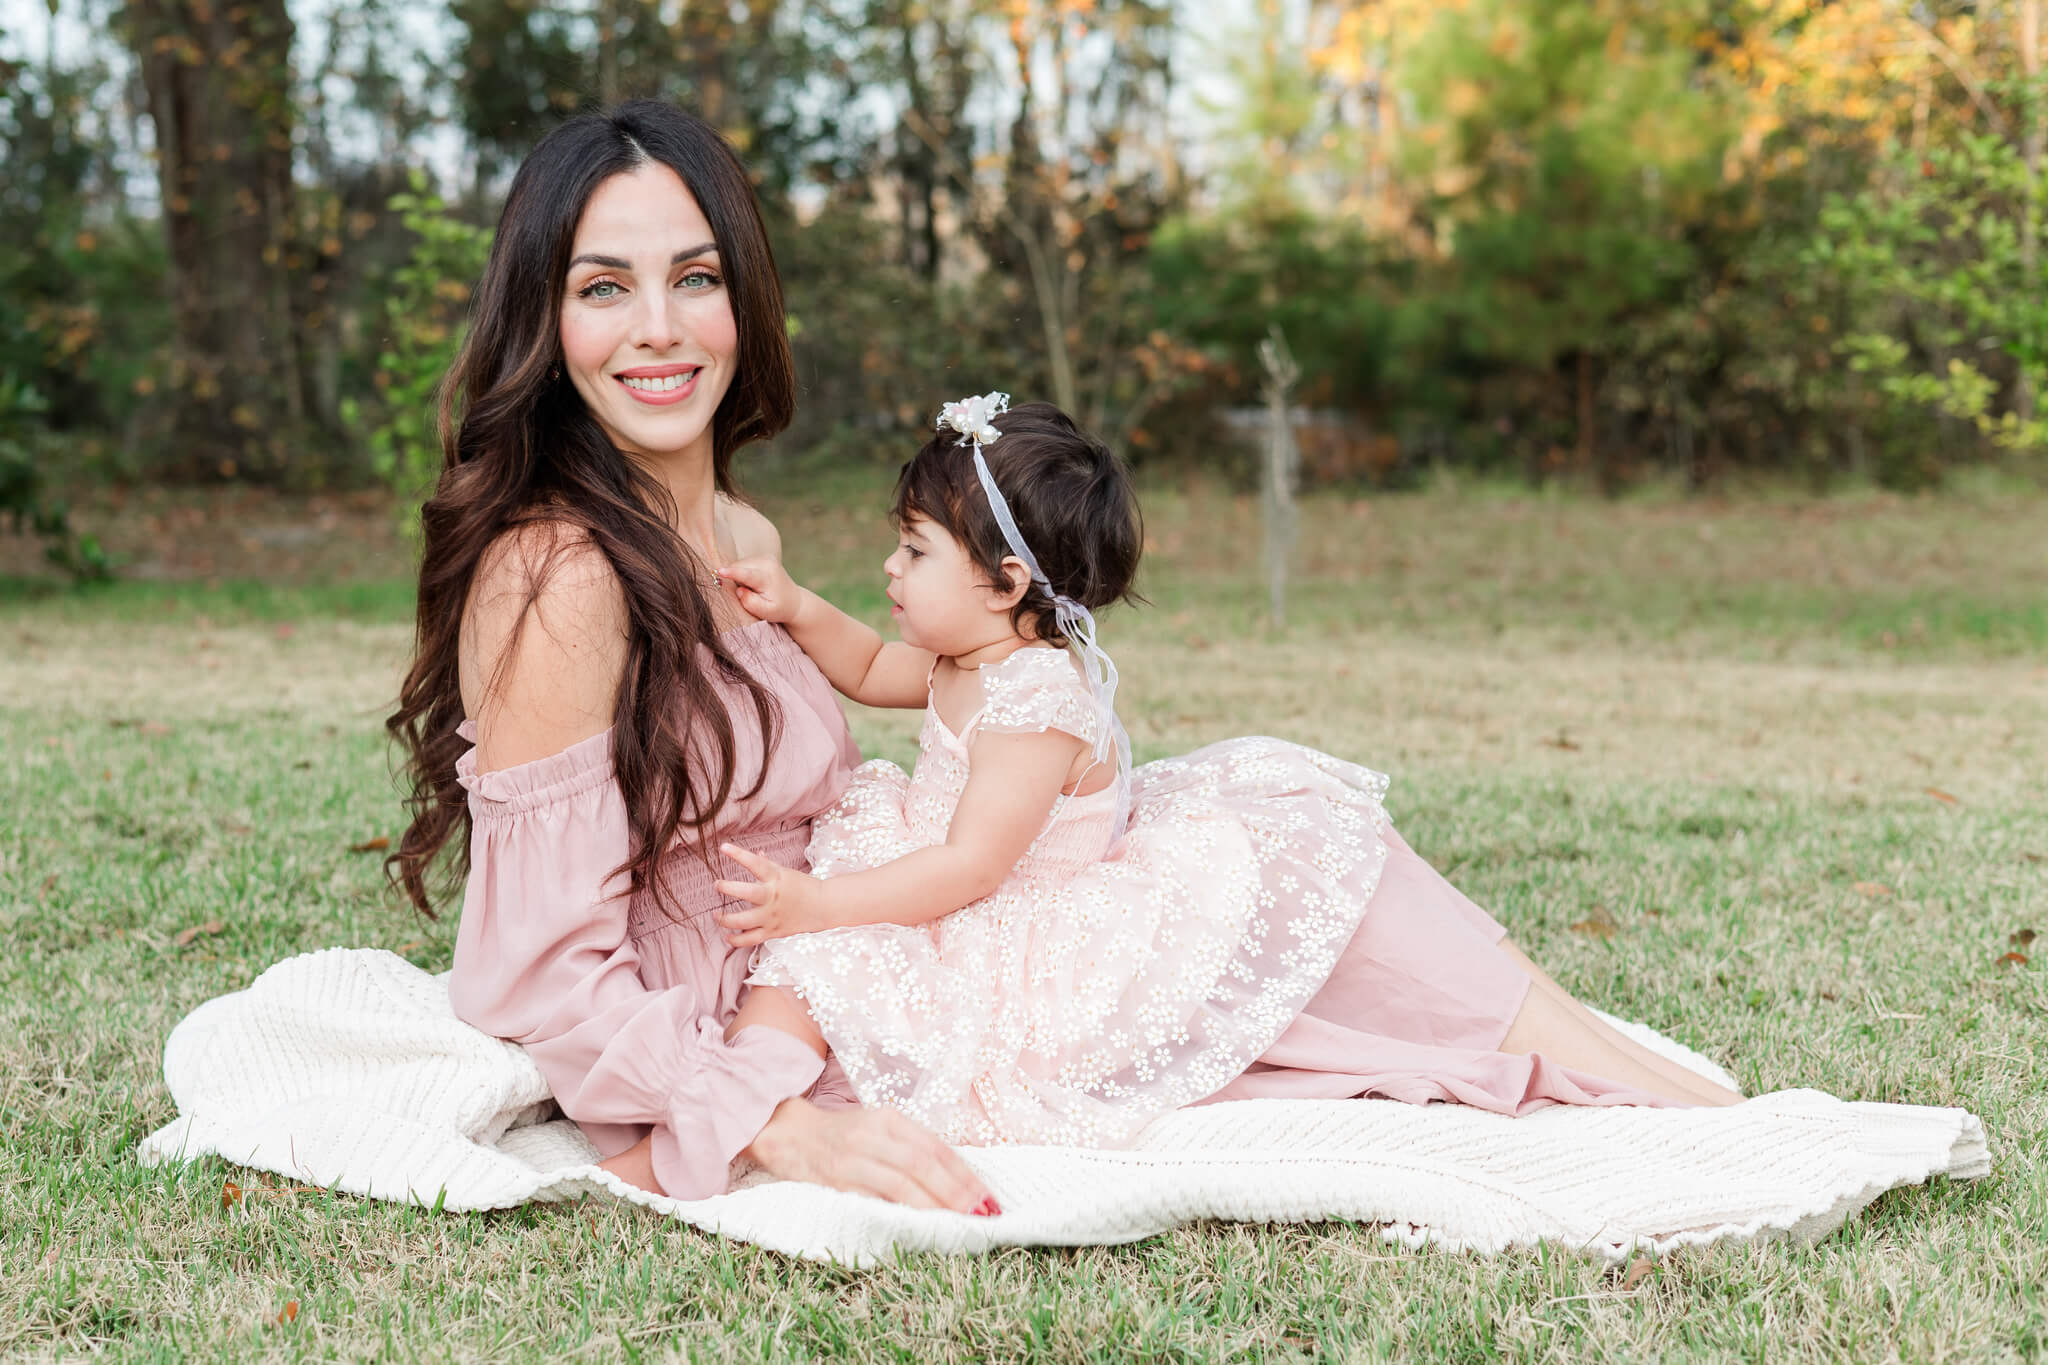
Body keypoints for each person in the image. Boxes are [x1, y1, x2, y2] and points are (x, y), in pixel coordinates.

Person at [705, 394, 1743, 1150]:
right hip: (951, 873)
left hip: (1028, 912)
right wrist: (797, 606)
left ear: (1005, 583)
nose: (888, 566)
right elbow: (877, 670)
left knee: (852, 969)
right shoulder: (962, 656)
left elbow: (973, 868)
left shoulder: (1031, 705)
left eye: (913, 548)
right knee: (833, 977)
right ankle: (750, 1094)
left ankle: (1587, 1059)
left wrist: (823, 903)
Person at [384, 101, 997, 1215]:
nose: (658, 328)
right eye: (603, 288)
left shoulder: (741, 534)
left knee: (1245, 841)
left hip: (845, 950)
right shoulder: (558, 578)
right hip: (723, 1022)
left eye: (697, 279)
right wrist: (769, 1122)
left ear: (744, 300)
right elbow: (536, 972)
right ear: (545, 325)